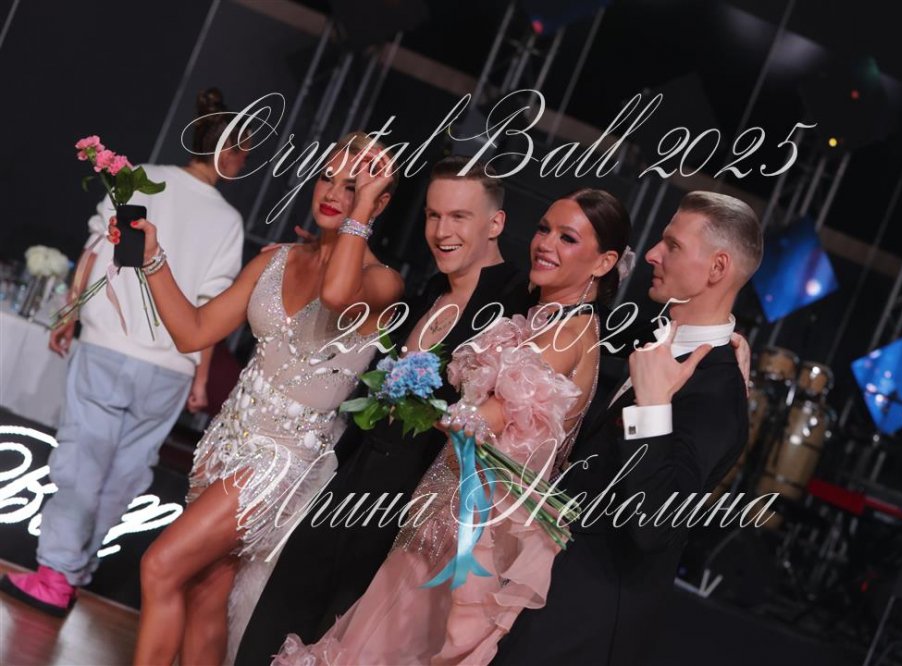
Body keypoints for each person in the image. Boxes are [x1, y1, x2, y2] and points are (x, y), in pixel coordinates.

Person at [274, 188, 634, 665]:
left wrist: (413, 394)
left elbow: (482, 421)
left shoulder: (567, 335)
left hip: (468, 540)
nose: (545, 244)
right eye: (544, 229)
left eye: (567, 238)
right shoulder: (545, 322)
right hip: (442, 519)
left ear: (604, 262)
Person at [233, 155, 536, 664]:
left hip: (410, 519)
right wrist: (306, 259)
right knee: (272, 631)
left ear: (495, 223)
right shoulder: (425, 293)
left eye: (459, 217)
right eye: (433, 215)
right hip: (351, 487)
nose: (441, 231)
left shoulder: (514, 311)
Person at [126, 132, 403, 665]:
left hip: (281, 461)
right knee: (205, 591)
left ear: (379, 201)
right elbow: (194, 331)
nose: (333, 193)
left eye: (354, 187)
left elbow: (336, 295)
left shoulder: (381, 283)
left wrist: (360, 213)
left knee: (160, 565)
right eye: (327, 177)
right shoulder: (276, 260)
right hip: (225, 443)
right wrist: (152, 258)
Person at [0, 88, 247, 618]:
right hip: (170, 368)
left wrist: (68, 313)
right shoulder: (227, 221)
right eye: (243, 150)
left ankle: (57, 575)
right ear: (226, 151)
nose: (244, 162)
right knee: (125, 475)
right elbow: (210, 310)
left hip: (110, 347)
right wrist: (200, 377)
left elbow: (96, 248)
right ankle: (73, 572)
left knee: (82, 463)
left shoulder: (139, 179)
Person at [491, 190, 763, 665]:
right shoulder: (661, 343)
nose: (652, 254)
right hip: (547, 596)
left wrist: (653, 408)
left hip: (585, 626)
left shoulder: (718, 393)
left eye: (672, 245)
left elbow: (654, 525)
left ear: (717, 268)